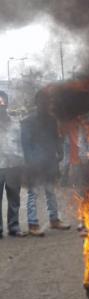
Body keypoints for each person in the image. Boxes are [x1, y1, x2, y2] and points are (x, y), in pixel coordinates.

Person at [21, 89, 71, 236]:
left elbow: (56, 138)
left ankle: (54, 220)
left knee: (51, 192)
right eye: (43, 101)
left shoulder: (51, 120)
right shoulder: (27, 122)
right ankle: (33, 224)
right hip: (35, 164)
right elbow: (26, 145)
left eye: (48, 101)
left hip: (49, 162)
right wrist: (31, 164)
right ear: (37, 103)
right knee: (33, 193)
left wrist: (60, 151)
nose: (46, 104)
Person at [0, 91, 27, 238]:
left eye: (2, 103)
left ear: (7, 104)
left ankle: (14, 227)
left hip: (13, 167)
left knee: (14, 199)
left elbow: (21, 145)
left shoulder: (15, 124)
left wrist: (22, 164)